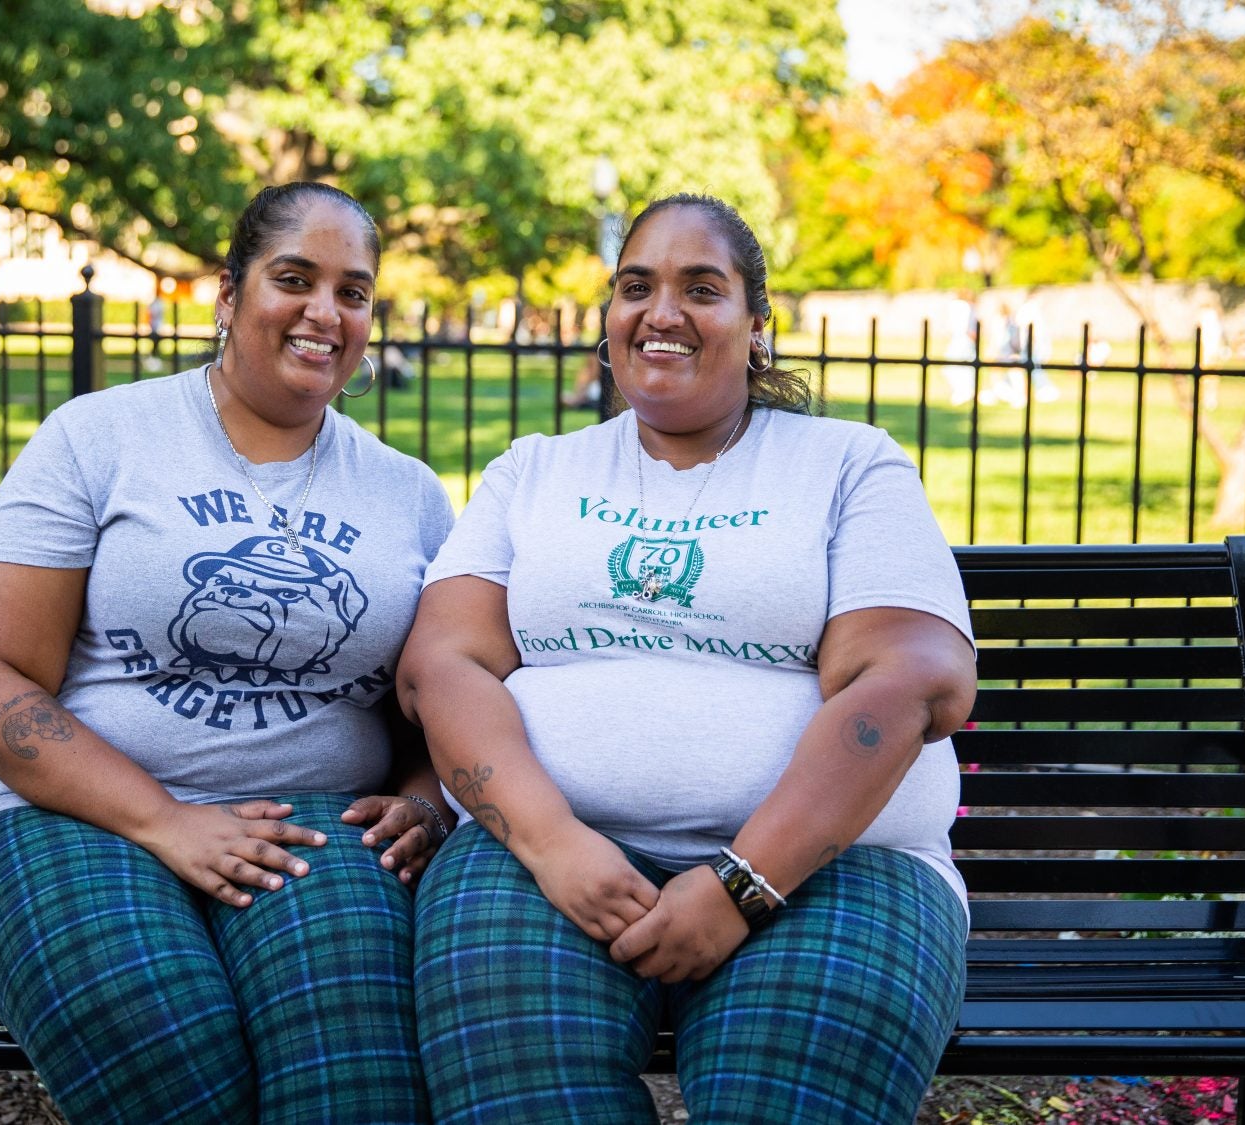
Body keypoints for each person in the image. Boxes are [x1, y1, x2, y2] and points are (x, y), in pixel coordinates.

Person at [399, 193, 977, 1125]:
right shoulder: (534, 471)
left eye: (700, 289)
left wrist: (746, 882)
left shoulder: (848, 465)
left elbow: (911, 680)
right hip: (542, 862)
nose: (660, 313)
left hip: (836, 872)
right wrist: (552, 843)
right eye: (637, 287)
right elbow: (443, 664)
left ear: (757, 326)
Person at [0, 182, 456, 1124]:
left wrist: (420, 800)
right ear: (228, 290)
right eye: (294, 278)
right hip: (53, 814)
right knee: (167, 1033)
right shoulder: (101, 438)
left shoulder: (406, 494)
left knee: (354, 1059)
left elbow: (428, 699)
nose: (324, 313)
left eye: (354, 291)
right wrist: (166, 820)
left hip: (311, 824)